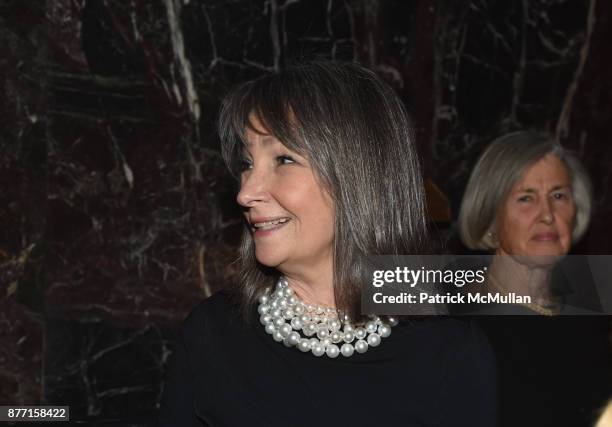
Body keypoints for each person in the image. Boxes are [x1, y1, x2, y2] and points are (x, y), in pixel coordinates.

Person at [158, 61, 497, 426]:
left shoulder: (448, 351)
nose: (246, 192)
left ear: (358, 176)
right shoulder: (212, 336)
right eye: (246, 163)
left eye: (283, 159)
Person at [456, 131, 611, 426]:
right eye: (526, 198)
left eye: (558, 196)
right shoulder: (461, 324)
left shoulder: (587, 316)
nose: (548, 215)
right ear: (490, 219)